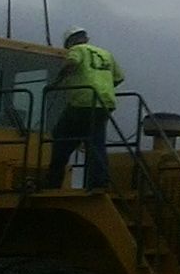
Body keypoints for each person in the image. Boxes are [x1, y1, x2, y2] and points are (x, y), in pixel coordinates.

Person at [44, 28, 124, 190]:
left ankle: (53, 182)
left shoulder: (77, 50)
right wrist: (104, 88)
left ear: (70, 42)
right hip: (104, 103)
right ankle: (99, 182)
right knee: (95, 142)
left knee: (60, 136)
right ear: (86, 38)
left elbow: (72, 62)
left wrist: (56, 82)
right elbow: (119, 77)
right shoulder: (105, 53)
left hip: (82, 103)